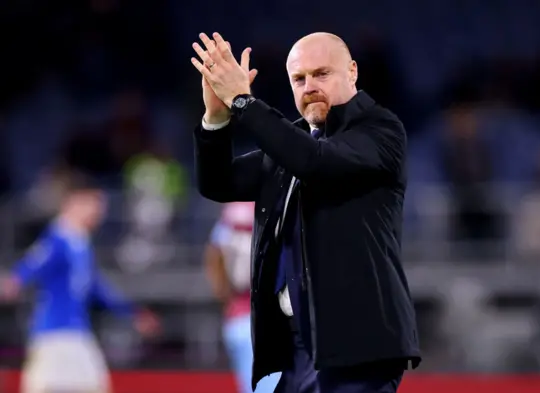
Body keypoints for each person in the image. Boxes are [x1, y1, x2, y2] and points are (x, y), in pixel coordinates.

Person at [191, 32, 421, 393]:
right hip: (298, 348)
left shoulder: (380, 130)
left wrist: (243, 101)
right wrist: (216, 118)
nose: (309, 86)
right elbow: (219, 184)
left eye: (321, 74)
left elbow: (315, 163)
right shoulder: (293, 144)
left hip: (357, 346)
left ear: (353, 72)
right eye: (299, 79)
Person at [1, 175, 159, 393]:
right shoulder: (58, 239)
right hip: (55, 334)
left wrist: (133, 313)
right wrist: (15, 281)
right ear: (74, 203)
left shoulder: (81, 243)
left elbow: (97, 288)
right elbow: (34, 262)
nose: (99, 213)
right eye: (94, 204)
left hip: (77, 332)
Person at [205, 202, 281, 393]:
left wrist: (225, 297)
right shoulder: (276, 201)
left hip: (237, 319)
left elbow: (214, 254)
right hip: (268, 320)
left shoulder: (231, 212)